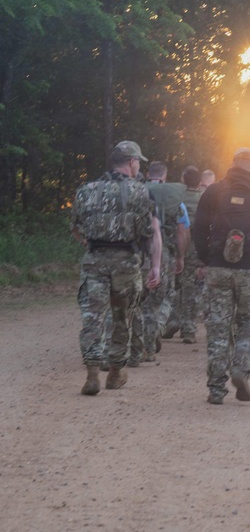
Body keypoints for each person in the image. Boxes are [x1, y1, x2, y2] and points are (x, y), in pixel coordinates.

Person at [71, 140, 162, 395]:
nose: (138, 166)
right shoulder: (141, 192)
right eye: (138, 162)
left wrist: (89, 241)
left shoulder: (86, 190)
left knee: (92, 318)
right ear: (132, 162)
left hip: (94, 260)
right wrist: (155, 266)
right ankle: (115, 373)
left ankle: (92, 373)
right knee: (122, 318)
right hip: (126, 262)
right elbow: (149, 232)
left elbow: (76, 227)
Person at [192, 148, 250, 405]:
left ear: (232, 163)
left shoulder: (214, 192)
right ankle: (241, 369)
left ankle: (216, 389)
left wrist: (207, 258)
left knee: (218, 327)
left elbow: (199, 229)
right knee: (248, 322)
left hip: (218, 268)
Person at [136, 160, 189, 363]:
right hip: (162, 253)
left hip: (135, 255)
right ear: (165, 176)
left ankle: (131, 347)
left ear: (147, 174)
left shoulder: (135, 192)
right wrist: (181, 256)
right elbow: (182, 231)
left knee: (134, 303)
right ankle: (150, 346)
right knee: (158, 301)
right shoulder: (176, 200)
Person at [163, 166, 205, 343]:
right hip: (196, 248)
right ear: (200, 182)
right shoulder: (205, 198)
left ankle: (172, 320)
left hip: (175, 245)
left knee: (173, 285)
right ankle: (189, 328)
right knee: (192, 288)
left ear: (182, 180)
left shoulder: (175, 196)